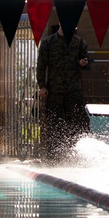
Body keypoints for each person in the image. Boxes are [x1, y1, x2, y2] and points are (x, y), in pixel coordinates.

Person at [35, 23, 91, 156]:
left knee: (75, 126)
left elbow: (86, 64)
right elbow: (41, 66)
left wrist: (83, 64)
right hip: (55, 92)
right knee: (55, 126)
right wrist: (42, 86)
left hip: (74, 92)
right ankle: (54, 158)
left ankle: (74, 156)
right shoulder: (48, 42)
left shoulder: (79, 42)